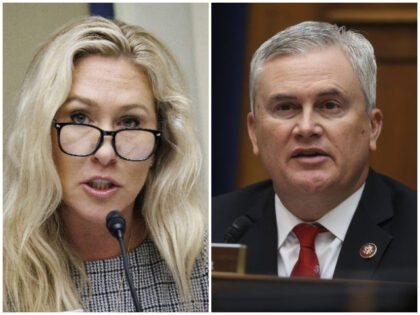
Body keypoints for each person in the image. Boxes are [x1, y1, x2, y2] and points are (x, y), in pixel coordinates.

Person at [4, 16, 208, 312]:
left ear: (159, 147)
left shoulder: (203, 264)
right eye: (79, 118)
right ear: (41, 134)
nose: (105, 152)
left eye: (129, 122)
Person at [213, 21, 416, 283]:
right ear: (254, 132)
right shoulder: (211, 229)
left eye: (329, 105)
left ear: (372, 126)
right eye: (286, 107)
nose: (306, 128)